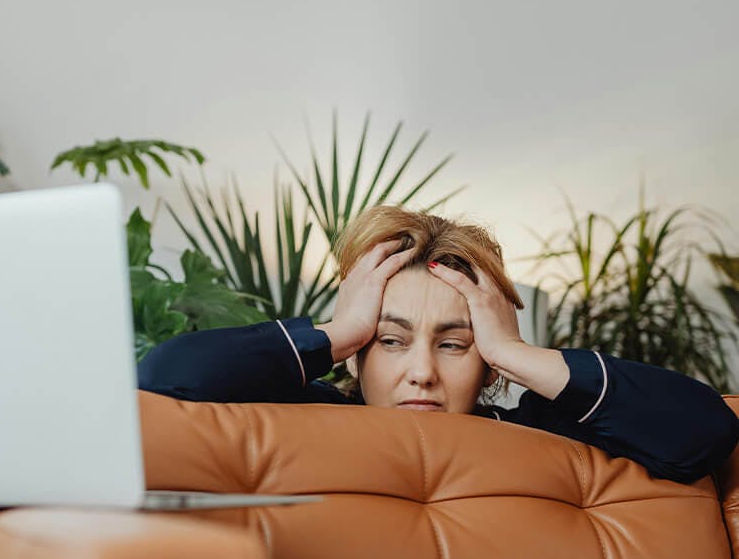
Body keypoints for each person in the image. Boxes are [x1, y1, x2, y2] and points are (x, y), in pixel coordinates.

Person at [138, 205, 739, 484]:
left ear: (488, 361)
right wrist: (338, 333)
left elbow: (704, 433)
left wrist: (514, 353)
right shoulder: (308, 414)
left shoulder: (536, 433)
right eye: (390, 340)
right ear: (359, 355)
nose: (421, 372)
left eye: (454, 345)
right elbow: (161, 381)